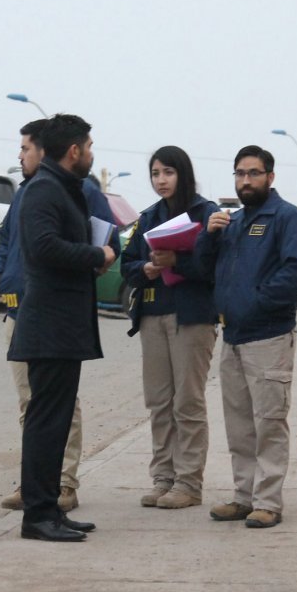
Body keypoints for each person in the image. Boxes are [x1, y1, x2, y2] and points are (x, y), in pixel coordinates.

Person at [0, 120, 119, 513]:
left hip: (57, 319)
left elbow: (107, 235)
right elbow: (28, 244)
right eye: (89, 146)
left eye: (25, 148)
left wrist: (99, 254)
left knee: (55, 411)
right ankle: (39, 499)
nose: (20, 156)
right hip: (35, 316)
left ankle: (56, 492)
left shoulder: (76, 190)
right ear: (74, 151)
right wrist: (1, 276)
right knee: (38, 411)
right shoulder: (38, 191)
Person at [195, 145, 297, 529]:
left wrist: (255, 304)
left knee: (269, 422)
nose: (246, 180)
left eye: (254, 173)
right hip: (233, 338)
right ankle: (243, 497)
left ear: (270, 177)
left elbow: (294, 273)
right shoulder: (233, 222)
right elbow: (204, 271)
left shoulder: (287, 217)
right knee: (240, 425)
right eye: (240, 174)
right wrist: (208, 237)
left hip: (268, 337)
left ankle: (268, 502)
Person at [120, 146, 219, 510]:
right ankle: (163, 477)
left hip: (192, 318)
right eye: (155, 173)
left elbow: (213, 266)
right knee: (159, 402)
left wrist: (178, 260)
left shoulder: (206, 214)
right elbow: (127, 264)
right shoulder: (148, 217)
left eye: (168, 172)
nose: (161, 180)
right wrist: (145, 269)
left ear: (183, 174)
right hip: (152, 315)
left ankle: (189, 483)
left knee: (187, 402)